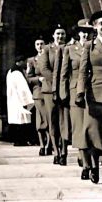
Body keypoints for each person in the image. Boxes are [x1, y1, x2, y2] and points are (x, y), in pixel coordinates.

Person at [76, 9, 102, 193]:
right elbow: (83, 71)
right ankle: (93, 166)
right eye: (101, 24)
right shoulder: (89, 46)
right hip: (94, 95)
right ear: (95, 26)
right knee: (93, 134)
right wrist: (80, 92)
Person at [60, 19, 95, 179]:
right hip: (76, 94)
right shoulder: (70, 49)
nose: (86, 34)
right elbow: (64, 73)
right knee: (80, 128)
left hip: (94, 91)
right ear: (78, 33)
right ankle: (86, 164)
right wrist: (62, 93)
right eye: (83, 31)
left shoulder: (96, 47)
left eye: (88, 31)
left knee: (92, 128)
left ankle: (93, 162)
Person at [38, 24, 67, 165]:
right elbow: (44, 69)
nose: (60, 36)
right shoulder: (47, 50)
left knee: (64, 121)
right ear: (53, 36)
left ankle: (65, 151)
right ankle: (56, 150)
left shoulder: (68, 48)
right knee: (53, 121)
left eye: (62, 34)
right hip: (50, 90)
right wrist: (57, 83)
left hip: (65, 91)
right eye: (58, 34)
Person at [27, 37, 51, 156]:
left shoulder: (51, 57)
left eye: (42, 43)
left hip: (50, 90)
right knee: (40, 119)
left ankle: (49, 144)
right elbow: (29, 78)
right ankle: (42, 144)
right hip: (38, 92)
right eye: (37, 44)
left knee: (49, 118)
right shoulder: (32, 60)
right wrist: (38, 79)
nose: (40, 46)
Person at [6, 55, 34, 146]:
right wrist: (26, 101)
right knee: (21, 121)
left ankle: (17, 140)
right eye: (24, 62)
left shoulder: (10, 71)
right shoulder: (17, 73)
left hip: (13, 99)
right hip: (19, 99)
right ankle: (21, 141)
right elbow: (23, 89)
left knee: (17, 120)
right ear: (20, 62)